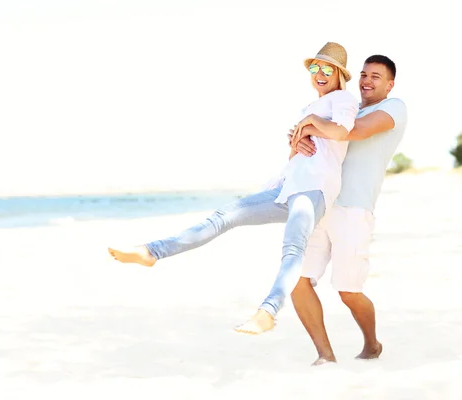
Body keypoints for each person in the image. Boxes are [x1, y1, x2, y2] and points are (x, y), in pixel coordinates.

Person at [108, 42, 358, 334]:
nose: (319, 73)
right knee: (224, 215)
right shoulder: (311, 106)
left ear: (339, 74)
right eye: (315, 67)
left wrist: (311, 123)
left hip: (314, 190)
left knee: (293, 248)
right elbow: (302, 155)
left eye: (327, 68)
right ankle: (152, 252)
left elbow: (342, 131)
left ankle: (268, 312)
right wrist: (295, 143)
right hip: (287, 188)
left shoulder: (342, 99)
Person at [289, 55, 407, 365]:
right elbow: (310, 140)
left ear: (389, 84)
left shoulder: (393, 108)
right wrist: (300, 139)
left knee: (347, 290)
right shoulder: (345, 109)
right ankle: (325, 355)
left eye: (376, 77)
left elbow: (355, 131)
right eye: (364, 74)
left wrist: (312, 124)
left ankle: (372, 344)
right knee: (296, 280)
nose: (367, 80)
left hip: (354, 209)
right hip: (320, 202)